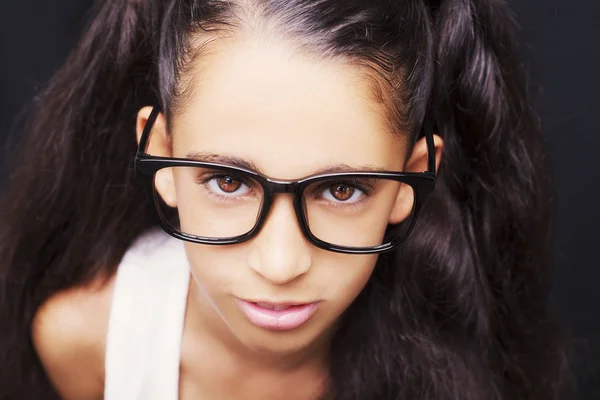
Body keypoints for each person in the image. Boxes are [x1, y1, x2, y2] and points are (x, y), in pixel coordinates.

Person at [0, 0, 574, 399]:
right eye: (228, 182)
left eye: (340, 190)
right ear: (162, 157)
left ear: (408, 180)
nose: (280, 264)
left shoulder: (468, 361)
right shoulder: (88, 345)